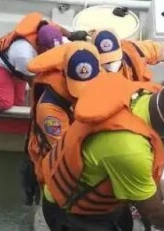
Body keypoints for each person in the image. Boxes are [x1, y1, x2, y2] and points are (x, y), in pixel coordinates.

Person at [40, 67, 164, 231]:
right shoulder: (130, 149)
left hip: (104, 202)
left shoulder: (146, 94)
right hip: (74, 212)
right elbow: (156, 214)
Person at [21, 42, 103, 204]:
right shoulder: (50, 110)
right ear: (65, 74)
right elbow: (66, 152)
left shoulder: (100, 72)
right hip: (54, 168)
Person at [0, 12, 85, 111]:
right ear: (40, 44)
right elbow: (34, 82)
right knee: (5, 102)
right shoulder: (24, 53)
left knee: (19, 102)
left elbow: (58, 29)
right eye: (48, 50)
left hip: (13, 66)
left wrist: (72, 35)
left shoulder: (46, 28)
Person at [91, 29, 164, 81]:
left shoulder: (135, 50)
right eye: (106, 62)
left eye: (114, 58)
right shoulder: (88, 76)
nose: (111, 65)